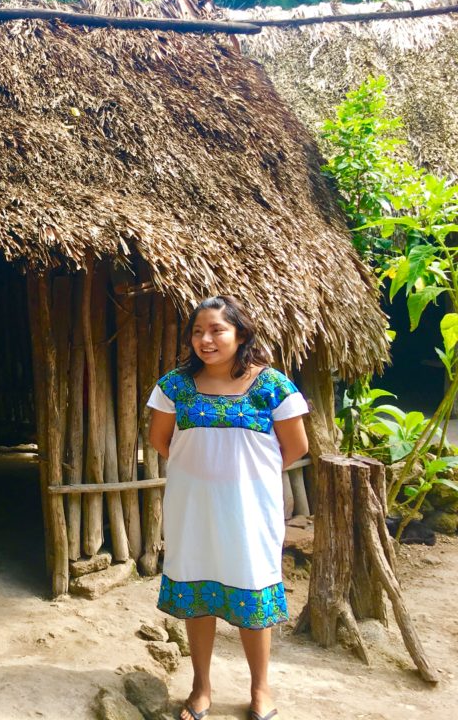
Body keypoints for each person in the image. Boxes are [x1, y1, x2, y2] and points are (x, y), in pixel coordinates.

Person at [147, 295, 309, 720]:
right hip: (192, 509)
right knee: (198, 592)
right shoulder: (174, 386)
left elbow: (294, 448)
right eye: (198, 331)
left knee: (252, 593)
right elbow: (161, 441)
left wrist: (242, 479)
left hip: (249, 512)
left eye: (217, 329)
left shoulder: (272, 386)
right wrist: (204, 472)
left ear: (240, 334)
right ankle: (201, 688)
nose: (206, 339)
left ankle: (260, 690)